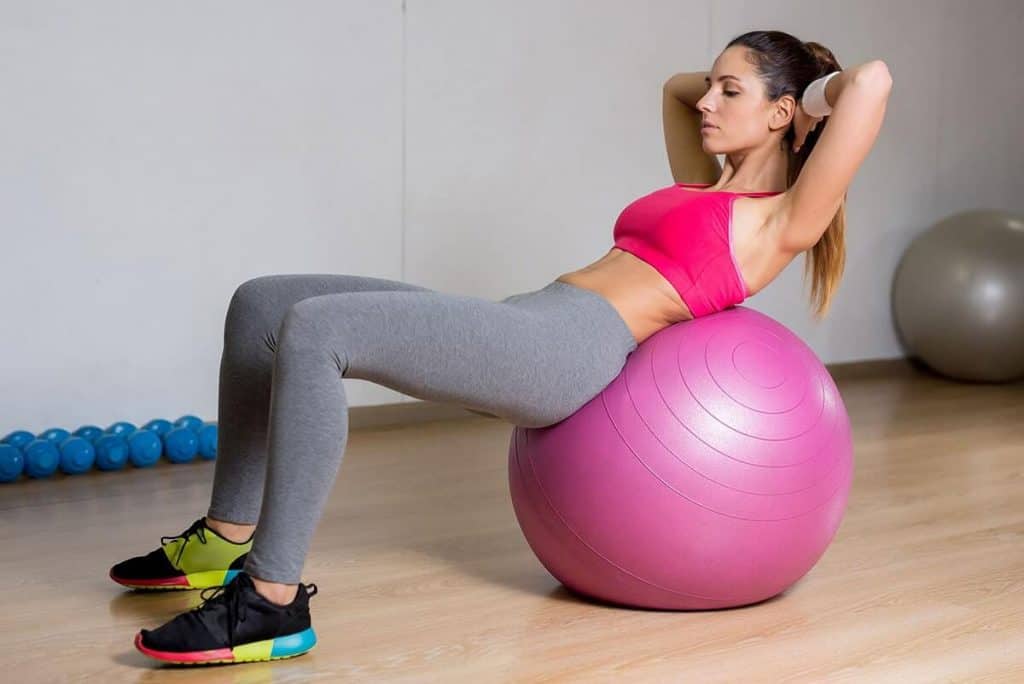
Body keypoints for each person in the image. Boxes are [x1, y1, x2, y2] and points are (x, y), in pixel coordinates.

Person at [113, 29, 892, 665]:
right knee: (263, 303)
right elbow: (673, 88)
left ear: (784, 113)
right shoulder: (702, 184)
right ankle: (223, 538)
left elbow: (874, 82)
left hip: (570, 351)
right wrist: (749, 81)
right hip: (533, 316)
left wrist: (817, 94)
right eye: (716, 85)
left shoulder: (778, 221)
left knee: (317, 331)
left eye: (733, 91)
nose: (708, 102)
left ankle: (270, 603)